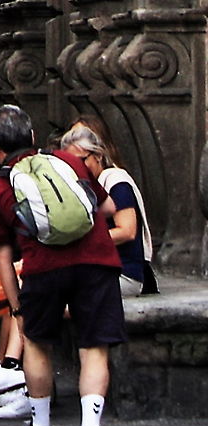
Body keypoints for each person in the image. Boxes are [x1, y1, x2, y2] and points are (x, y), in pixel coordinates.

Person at [0, 102, 124, 426]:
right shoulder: (69, 161)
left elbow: (1, 256)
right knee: (93, 348)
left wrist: (16, 308)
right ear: (32, 137)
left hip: (42, 268)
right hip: (95, 262)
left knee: (37, 345)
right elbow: (105, 210)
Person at [61, 122, 156, 298]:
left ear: (97, 155)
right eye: (70, 163)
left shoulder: (116, 181)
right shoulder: (82, 184)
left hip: (122, 273)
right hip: (94, 269)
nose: (76, 167)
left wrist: (81, 244)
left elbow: (127, 232)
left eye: (82, 160)